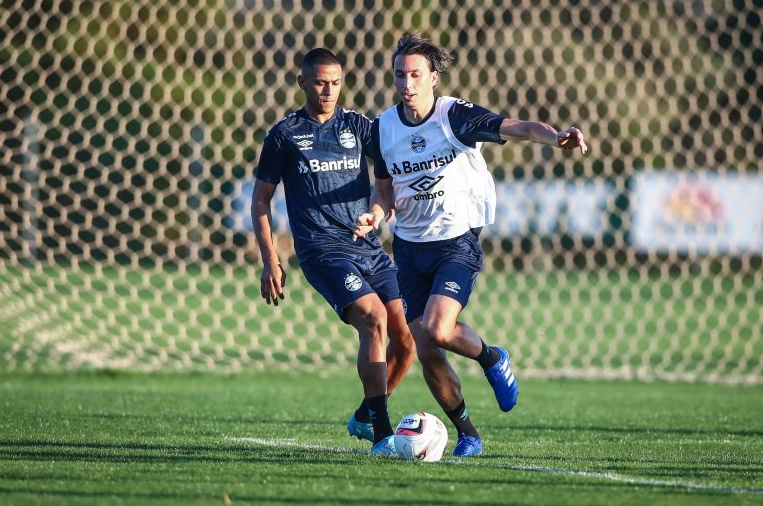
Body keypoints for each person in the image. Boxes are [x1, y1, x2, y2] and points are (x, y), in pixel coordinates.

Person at [353, 32, 588, 457]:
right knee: (426, 348)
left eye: (416, 75)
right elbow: (384, 189)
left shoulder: (453, 116)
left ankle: (492, 358)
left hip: (456, 240)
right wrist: (375, 211)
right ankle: (469, 434)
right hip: (409, 248)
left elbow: (517, 127)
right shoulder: (383, 129)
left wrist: (556, 138)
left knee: (441, 329)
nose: (407, 84)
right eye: (400, 75)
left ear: (433, 78)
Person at [251, 48, 415, 456]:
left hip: (367, 247)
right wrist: (271, 259)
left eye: (336, 83)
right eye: (320, 82)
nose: (328, 91)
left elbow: (384, 186)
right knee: (374, 321)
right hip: (322, 251)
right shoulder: (284, 134)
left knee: (408, 340)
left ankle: (365, 414)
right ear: (302, 82)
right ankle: (382, 435)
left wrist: (376, 213)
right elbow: (260, 202)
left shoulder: (360, 127)